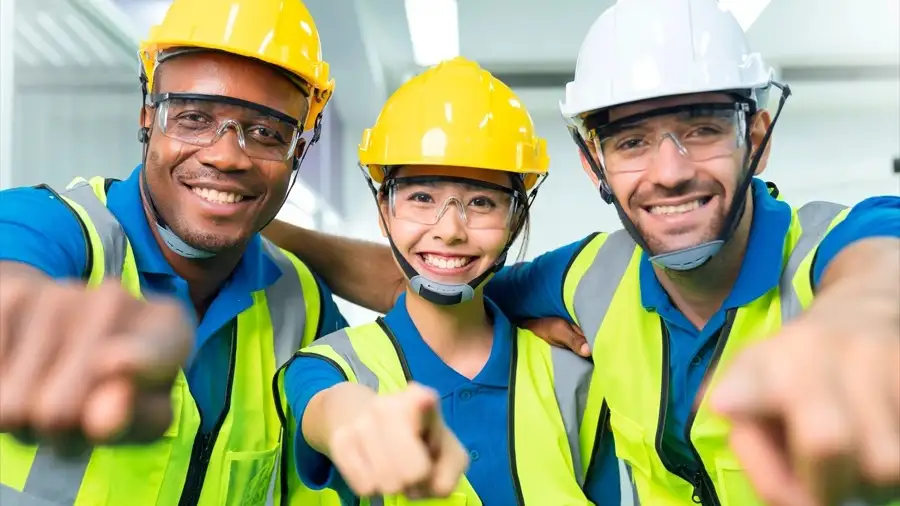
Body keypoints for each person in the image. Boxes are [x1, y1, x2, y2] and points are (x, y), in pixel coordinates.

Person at [264, 0, 900, 504]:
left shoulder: (827, 249)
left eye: (703, 128)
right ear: (593, 160)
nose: (669, 171)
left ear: (756, 136)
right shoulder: (592, 277)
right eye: (631, 141)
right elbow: (432, 283)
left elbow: (880, 259)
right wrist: (255, 226)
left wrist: (858, 319)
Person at [0, 0, 347, 504]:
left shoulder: (305, 305)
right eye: (193, 117)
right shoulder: (54, 228)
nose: (226, 155)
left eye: (268, 132)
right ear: (148, 116)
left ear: (298, 152)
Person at [278, 57, 604, 505]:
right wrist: (358, 419)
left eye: (483, 202)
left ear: (516, 219)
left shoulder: (572, 374)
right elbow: (330, 412)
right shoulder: (328, 366)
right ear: (383, 212)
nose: (450, 229)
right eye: (422, 197)